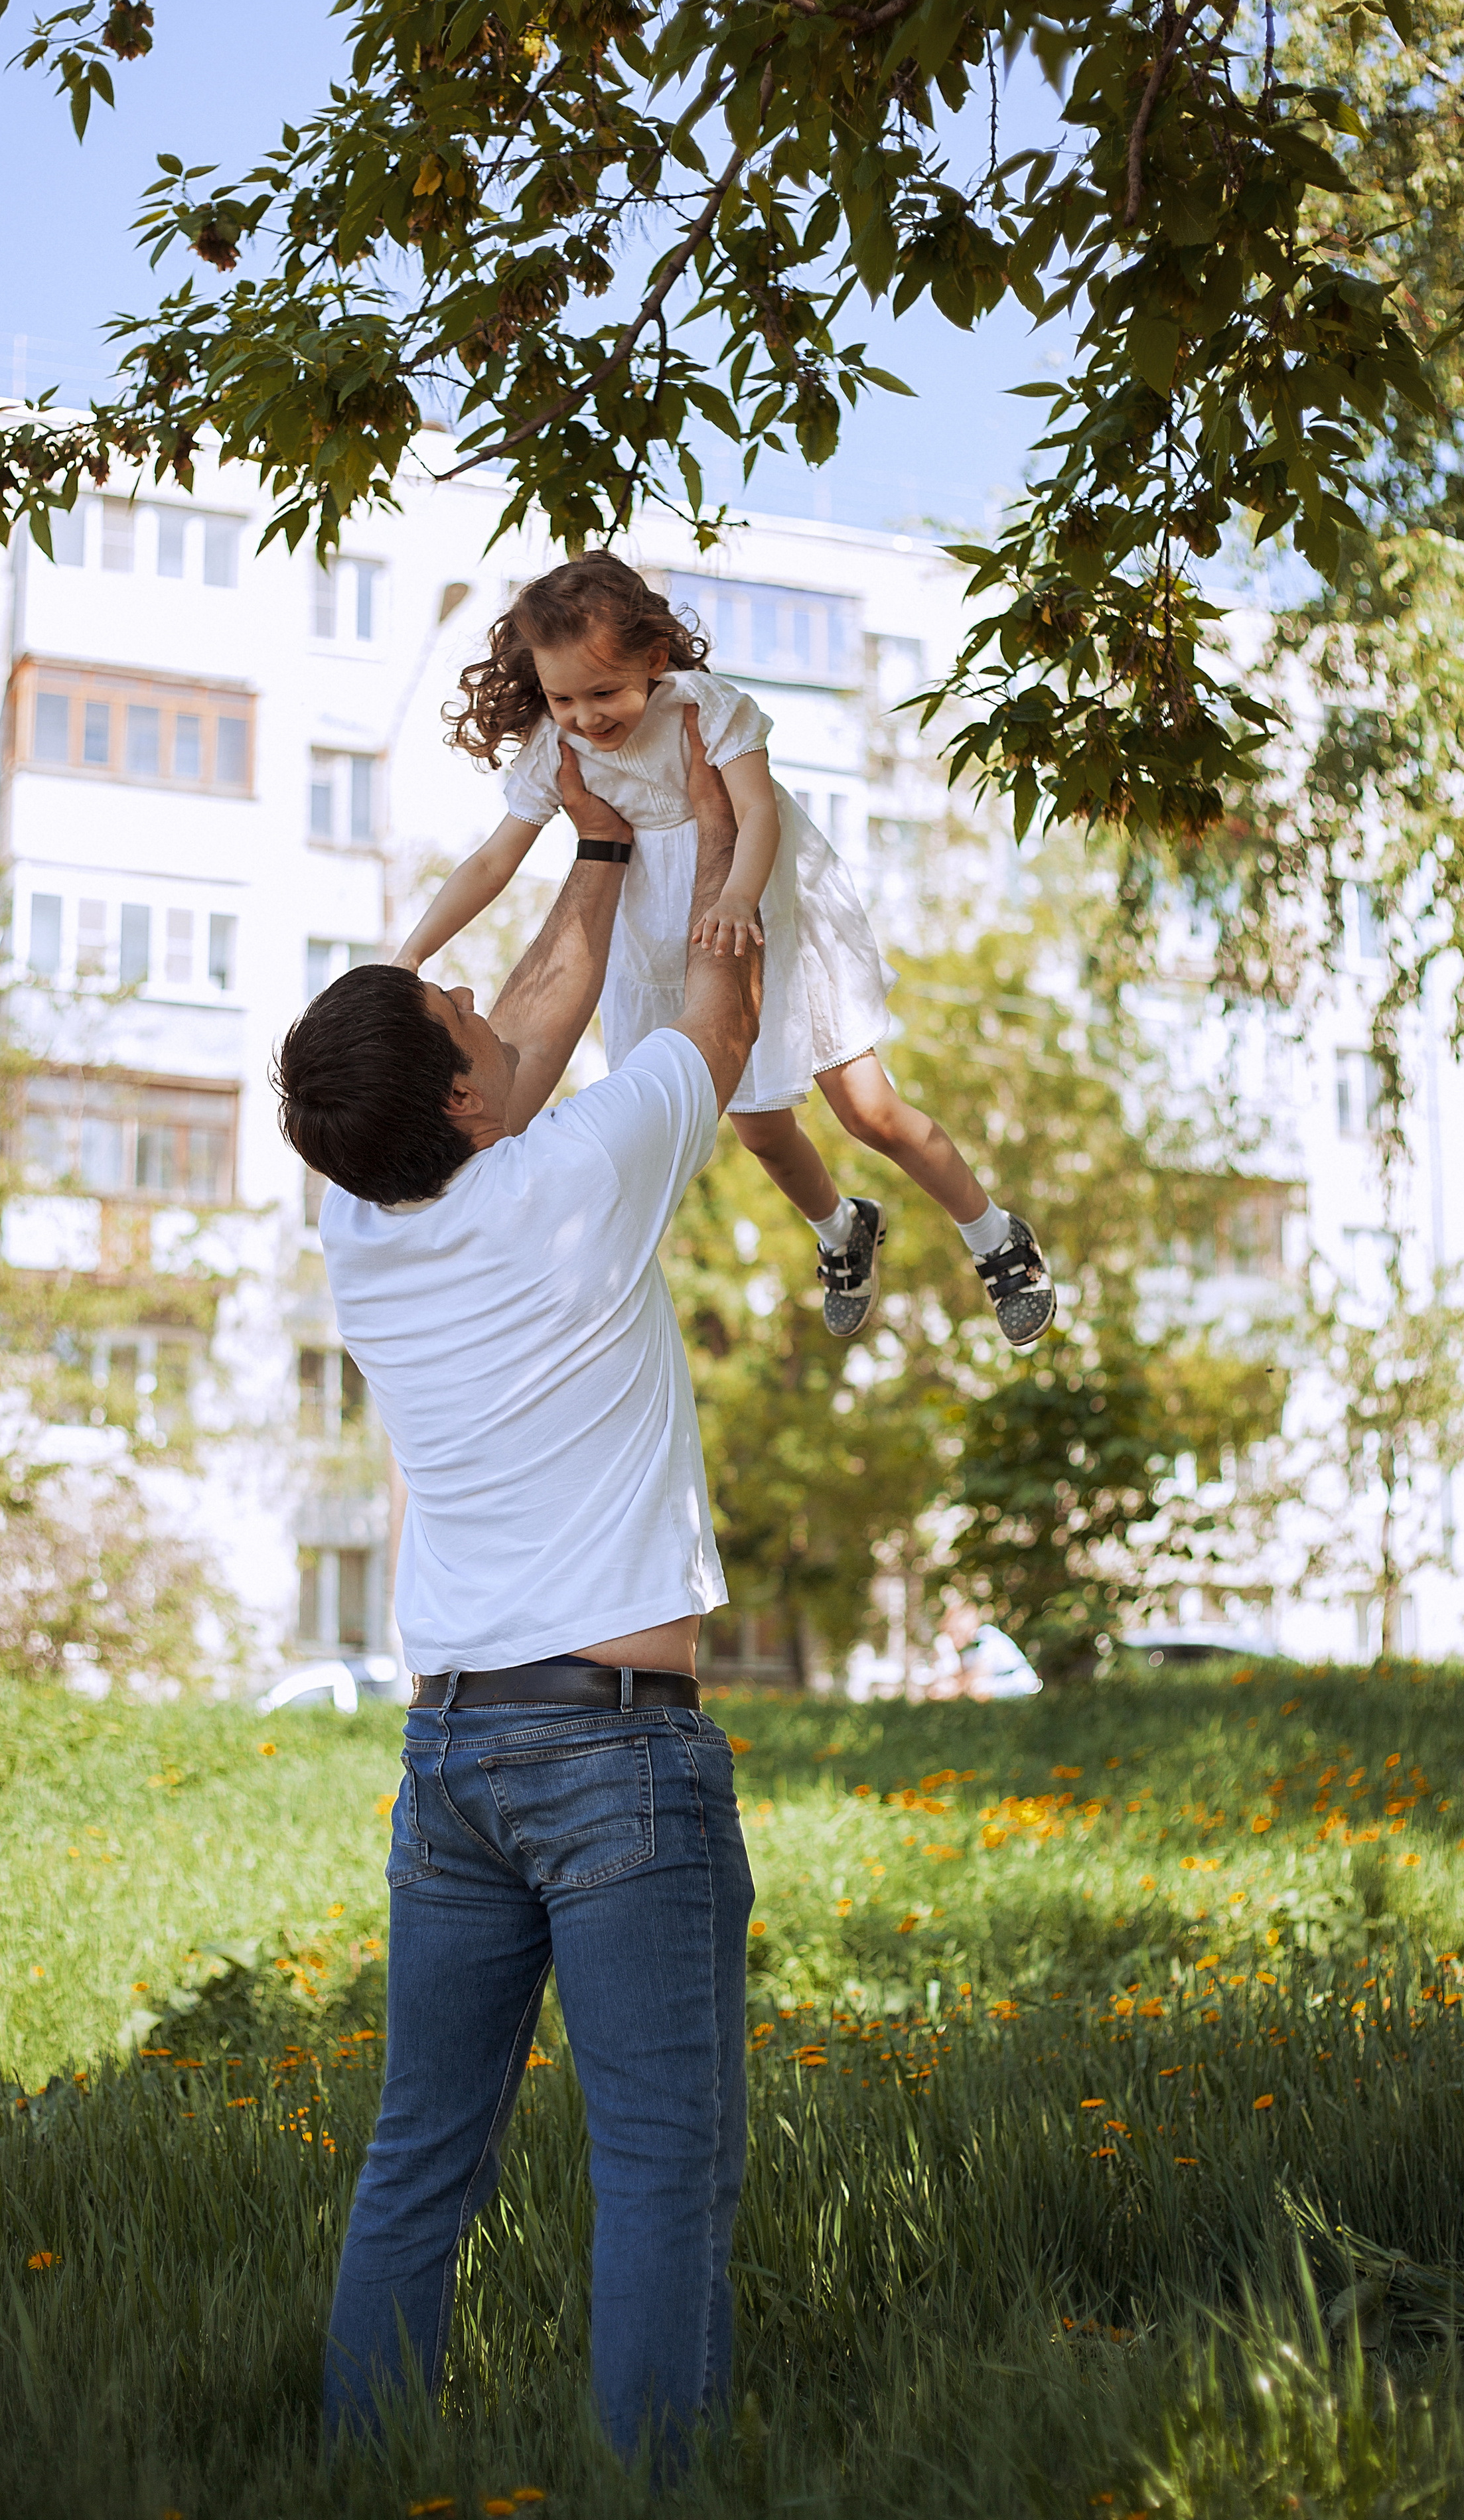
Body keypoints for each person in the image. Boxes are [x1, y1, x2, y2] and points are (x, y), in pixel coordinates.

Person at [271, 711, 763, 2474]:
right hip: (617, 1761)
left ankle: (359, 2470)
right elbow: (719, 1028)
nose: (488, 1000)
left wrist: (598, 851)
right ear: (469, 1097)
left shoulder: (365, 1221)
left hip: (456, 1760)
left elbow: (530, 1026)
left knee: (422, 2157)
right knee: (659, 2169)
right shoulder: (584, 1178)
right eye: (462, 1012)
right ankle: (658, 2494)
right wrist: (722, 860)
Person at [393, 551, 1056, 1350]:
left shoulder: (705, 709)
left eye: (604, 693)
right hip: (668, 939)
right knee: (759, 1128)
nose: (586, 717)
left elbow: (758, 812)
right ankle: (843, 1228)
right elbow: (493, 860)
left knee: (867, 1109)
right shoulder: (554, 746)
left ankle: (995, 1237)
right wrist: (412, 957)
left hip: (764, 906)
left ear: (655, 659)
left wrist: (738, 893)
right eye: (563, 697)